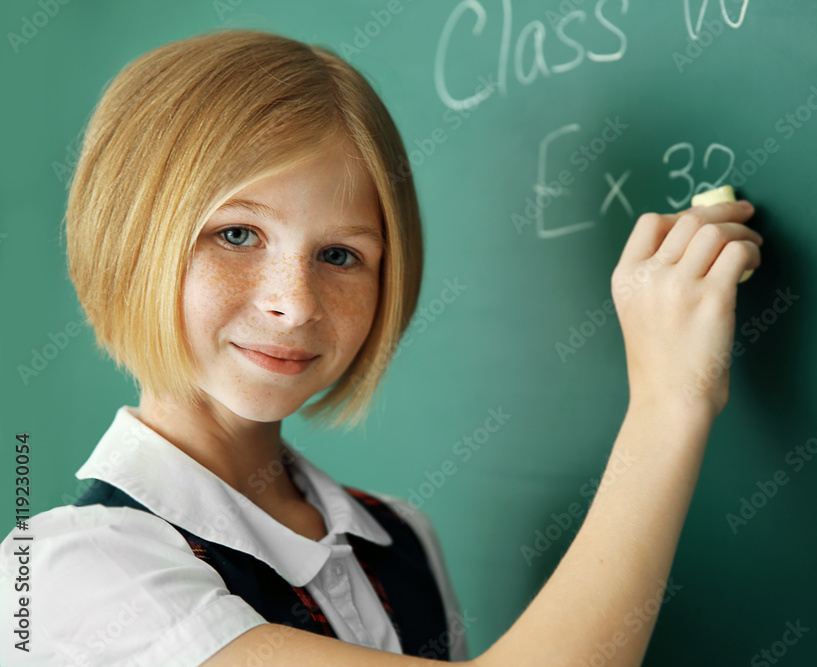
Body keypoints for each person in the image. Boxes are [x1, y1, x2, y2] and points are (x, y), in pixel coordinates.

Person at [0, 28, 763, 667]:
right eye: (236, 234)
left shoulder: (399, 539)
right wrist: (669, 402)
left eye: (340, 255)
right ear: (127, 243)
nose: (293, 302)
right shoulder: (64, 573)